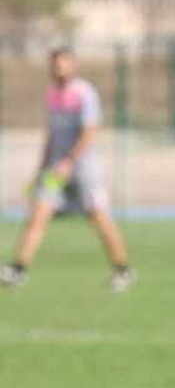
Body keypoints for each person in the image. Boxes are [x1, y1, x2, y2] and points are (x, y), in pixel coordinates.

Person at [0, 47, 134, 291]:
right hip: (54, 171)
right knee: (37, 215)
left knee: (98, 218)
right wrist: (42, 166)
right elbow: (51, 134)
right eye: (54, 64)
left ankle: (123, 269)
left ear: (73, 65)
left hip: (83, 169)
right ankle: (18, 269)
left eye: (63, 63)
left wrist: (70, 161)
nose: (58, 68)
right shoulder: (51, 94)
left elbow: (90, 131)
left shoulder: (85, 93)